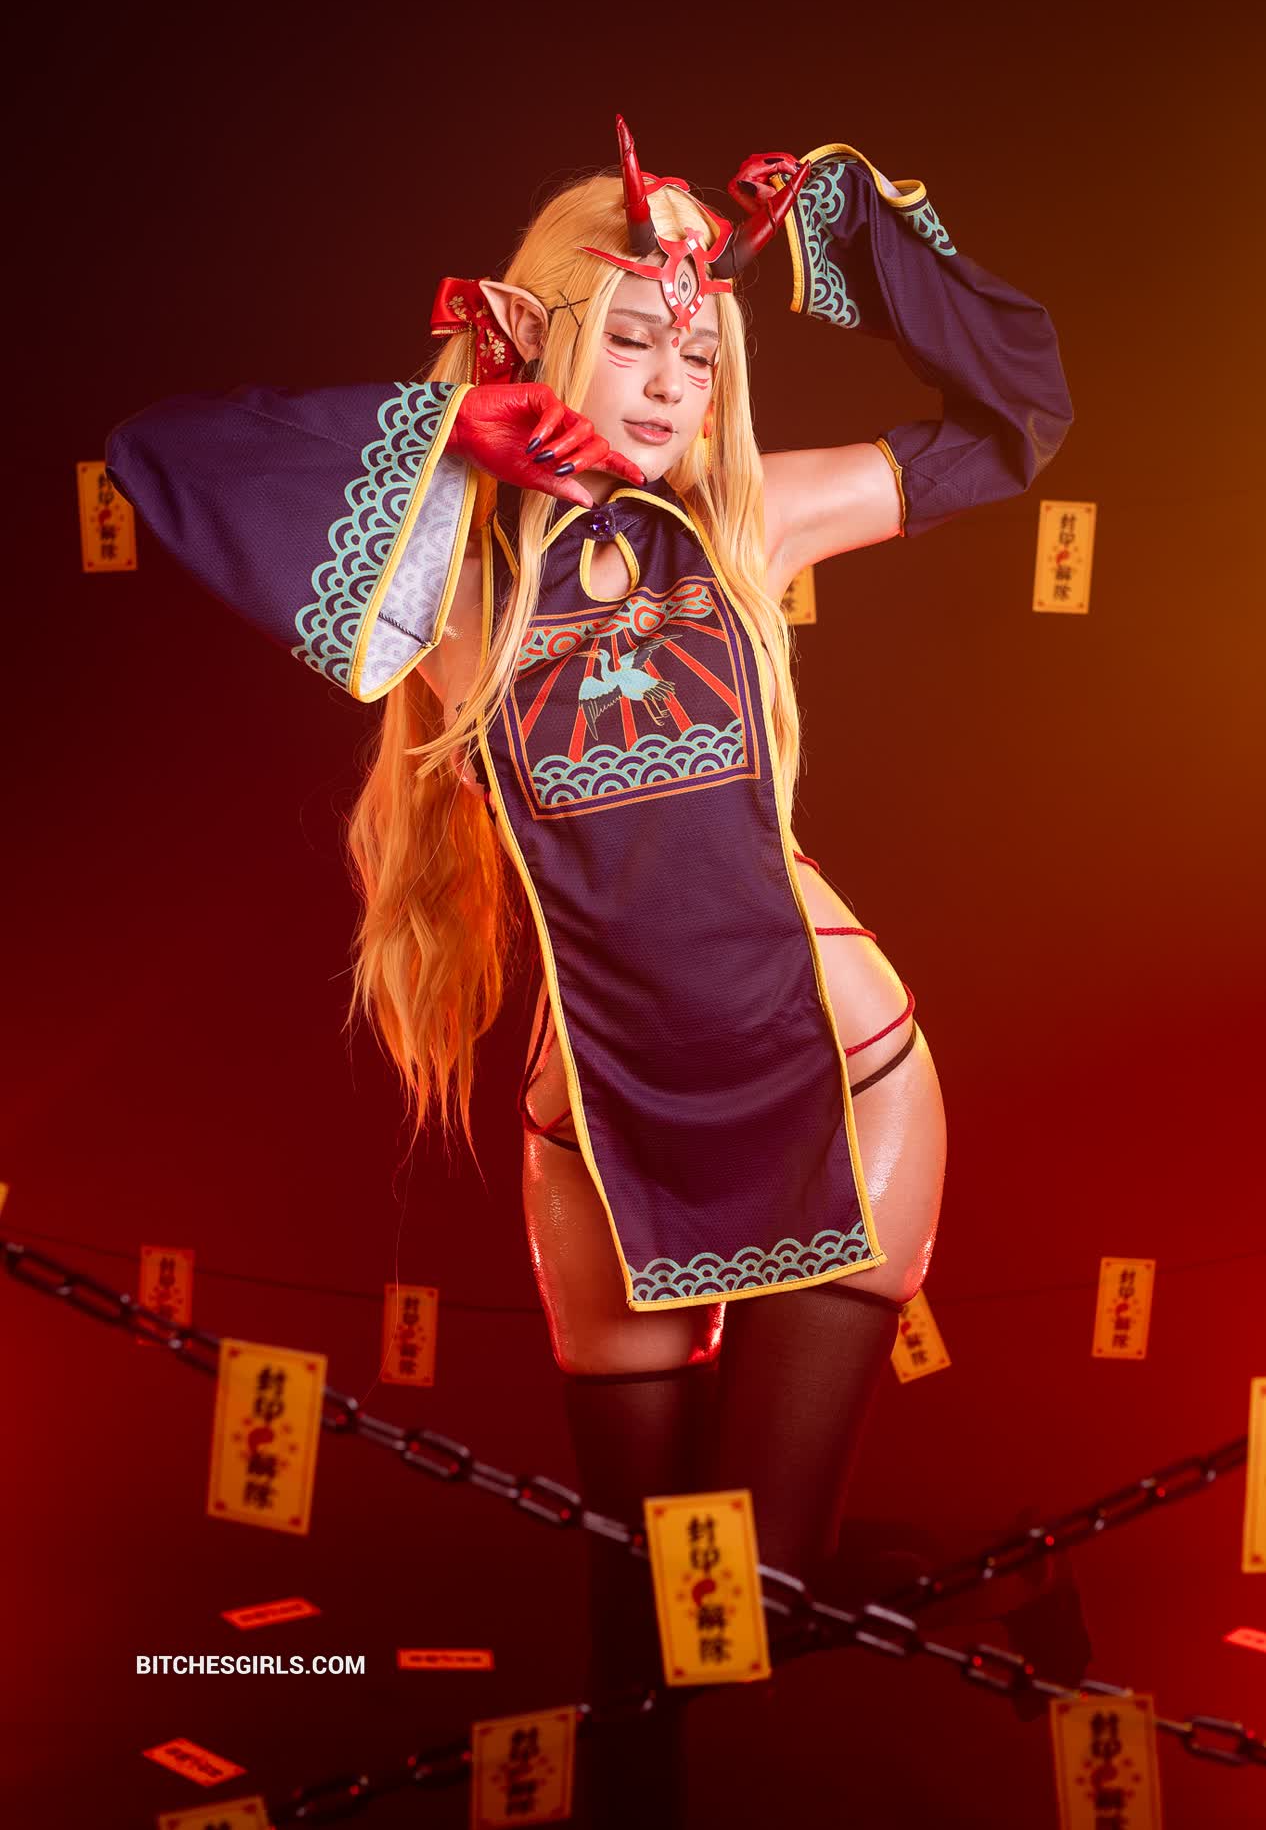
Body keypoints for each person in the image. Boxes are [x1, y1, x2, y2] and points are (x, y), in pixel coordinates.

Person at [104, 117, 1072, 1821]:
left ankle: (989, 1585)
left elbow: (1017, 423)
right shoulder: (437, 576)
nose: (669, 383)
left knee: (741, 1611)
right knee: (642, 1637)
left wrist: (850, 225)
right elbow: (159, 458)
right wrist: (445, 425)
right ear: (540, 334)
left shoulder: (753, 522)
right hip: (601, 1143)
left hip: (835, 1088)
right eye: (630, 338)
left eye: (698, 357)